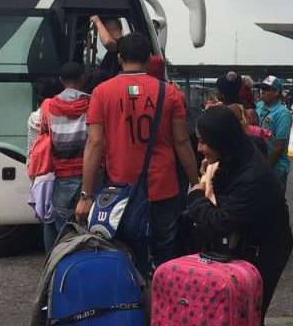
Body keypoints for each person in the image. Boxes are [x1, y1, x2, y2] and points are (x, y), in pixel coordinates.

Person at [76, 33, 200, 274]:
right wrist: (195, 181)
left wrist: (86, 194)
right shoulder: (170, 93)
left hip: (119, 190)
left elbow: (95, 143)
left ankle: (133, 304)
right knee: (165, 248)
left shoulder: (102, 92)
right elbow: (182, 141)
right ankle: (164, 302)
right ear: (148, 59)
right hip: (163, 187)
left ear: (120, 58)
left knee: (125, 250)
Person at [186, 106, 293, 318]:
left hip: (265, 249)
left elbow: (220, 221)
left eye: (204, 141)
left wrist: (196, 197)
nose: (199, 148)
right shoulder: (237, 153)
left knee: (248, 312)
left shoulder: (251, 176)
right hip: (247, 240)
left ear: (222, 140)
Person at [39, 62, 92, 250]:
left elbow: (45, 133)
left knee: (61, 223)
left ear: (61, 81)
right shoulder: (91, 103)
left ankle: (57, 263)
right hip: (88, 174)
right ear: (83, 79)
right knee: (85, 225)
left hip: (61, 173)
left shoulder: (49, 105)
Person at [256, 75, 293, 190]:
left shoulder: (283, 114)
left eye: (267, 89)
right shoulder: (259, 106)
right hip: (258, 163)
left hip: (275, 167)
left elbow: (278, 147)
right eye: (262, 88)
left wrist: (265, 168)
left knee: (276, 203)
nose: (262, 92)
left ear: (276, 92)